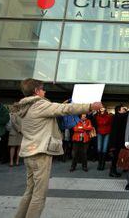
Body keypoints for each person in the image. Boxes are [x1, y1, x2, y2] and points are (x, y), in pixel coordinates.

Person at [14, 78, 101, 218]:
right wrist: (90, 106)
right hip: (40, 153)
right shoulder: (40, 105)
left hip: (28, 151)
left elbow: (20, 126)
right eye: (42, 89)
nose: (44, 91)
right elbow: (66, 109)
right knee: (39, 195)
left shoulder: (24, 107)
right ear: (36, 91)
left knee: (29, 191)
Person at [109, 105, 128, 177]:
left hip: (118, 140)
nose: (125, 110)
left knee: (119, 156)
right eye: (123, 109)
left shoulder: (119, 116)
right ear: (119, 111)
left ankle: (116, 170)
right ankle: (112, 172)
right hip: (116, 141)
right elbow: (124, 115)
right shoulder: (117, 116)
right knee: (115, 156)